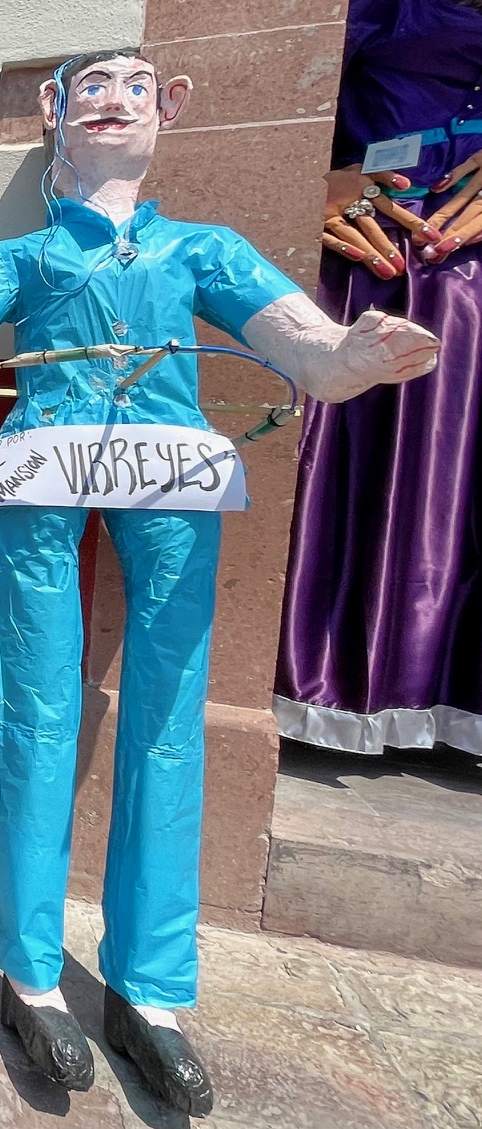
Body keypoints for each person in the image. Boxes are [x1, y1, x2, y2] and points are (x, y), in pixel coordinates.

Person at [0, 50, 438, 1115]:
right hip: (39, 474)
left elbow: (310, 356)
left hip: (170, 474)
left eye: (136, 87)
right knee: (35, 709)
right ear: (53, 109)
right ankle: (29, 973)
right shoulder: (19, 258)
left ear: (168, 110)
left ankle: (151, 989)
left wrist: (359, 353)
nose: (112, 101)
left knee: (168, 718)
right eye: (90, 86)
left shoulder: (202, 249)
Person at [278, 0, 482, 758]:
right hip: (379, 254)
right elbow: (272, 82)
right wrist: (315, 176)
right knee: (360, 450)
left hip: (469, 277)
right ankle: (333, 682)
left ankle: (447, 692)